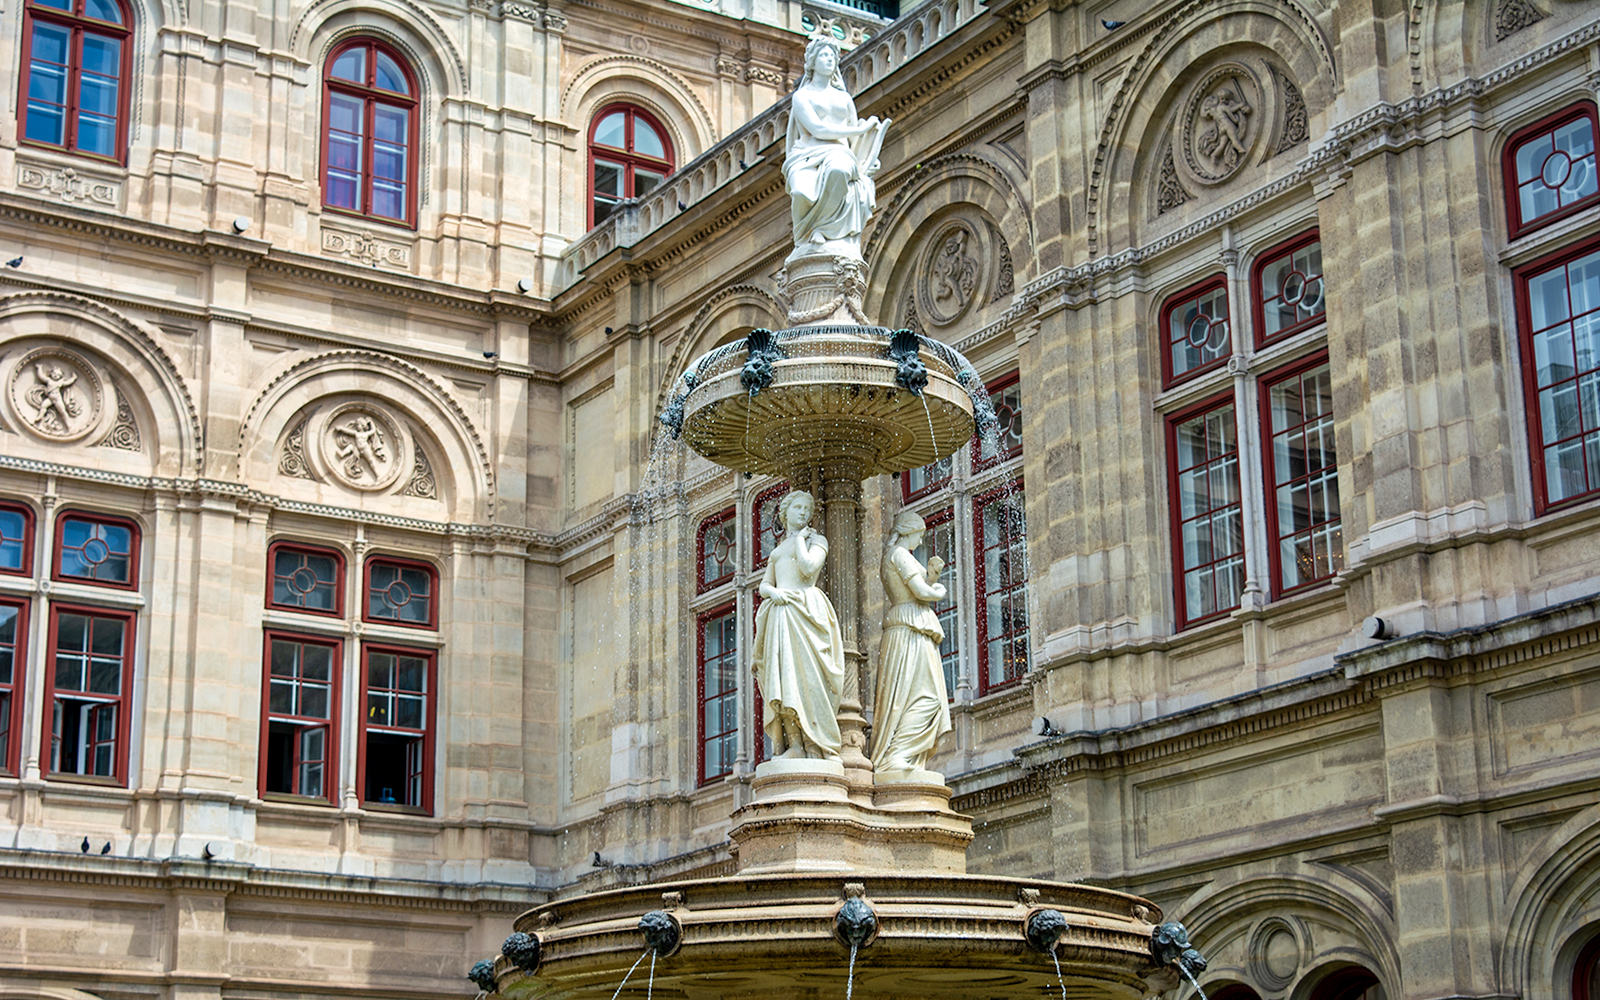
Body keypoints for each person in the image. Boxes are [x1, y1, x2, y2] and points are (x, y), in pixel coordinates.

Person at [752, 490, 844, 761]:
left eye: (807, 509)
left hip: (807, 611)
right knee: (786, 680)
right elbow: (765, 584)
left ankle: (816, 743)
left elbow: (808, 568)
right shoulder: (778, 551)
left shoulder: (818, 541)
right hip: (783, 615)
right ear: (785, 513)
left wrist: (802, 541)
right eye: (798, 508)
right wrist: (774, 593)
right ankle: (795, 745)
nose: (803, 513)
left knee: (810, 678)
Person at [783, 38, 890, 255]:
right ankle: (806, 232)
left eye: (833, 56)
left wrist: (868, 155)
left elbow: (855, 140)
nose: (830, 59)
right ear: (812, 62)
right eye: (824, 55)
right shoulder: (802, 96)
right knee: (801, 192)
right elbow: (818, 129)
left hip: (840, 153)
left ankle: (823, 230)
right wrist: (860, 130)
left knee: (838, 170)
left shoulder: (844, 98)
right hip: (807, 154)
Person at [870, 509, 951, 776]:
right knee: (925, 696)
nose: (920, 539)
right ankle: (897, 754)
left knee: (909, 693)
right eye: (919, 534)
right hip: (910, 627)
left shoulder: (896, 555)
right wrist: (938, 589)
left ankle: (900, 753)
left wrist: (931, 575)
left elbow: (916, 588)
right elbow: (920, 592)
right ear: (909, 531)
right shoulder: (900, 554)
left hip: (909, 624)